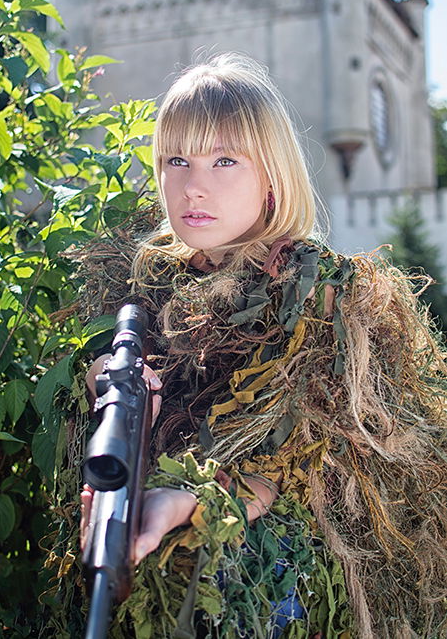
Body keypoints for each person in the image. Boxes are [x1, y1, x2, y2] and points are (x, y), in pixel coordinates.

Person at [80, 53, 447, 639]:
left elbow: (280, 477)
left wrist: (191, 501)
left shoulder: (320, 297)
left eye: (225, 160)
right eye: (177, 159)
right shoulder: (136, 286)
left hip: (290, 570)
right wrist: (106, 386)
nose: (194, 184)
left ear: (272, 176)